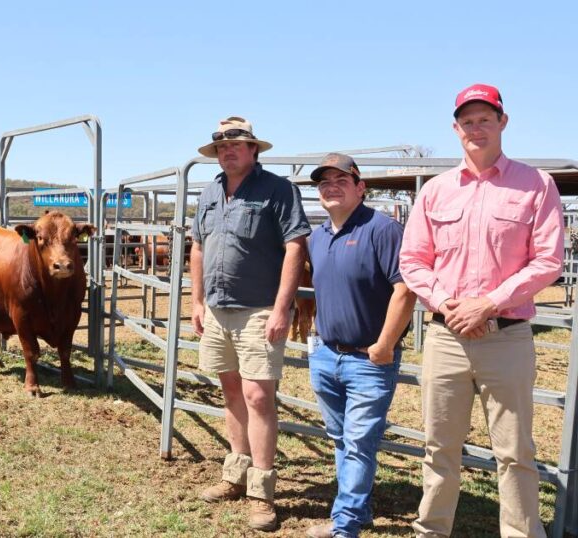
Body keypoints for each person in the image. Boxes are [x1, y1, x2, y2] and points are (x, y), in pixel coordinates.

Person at [400, 84, 563, 537]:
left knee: (514, 450)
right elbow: (413, 259)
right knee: (439, 446)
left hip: (505, 333)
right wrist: (446, 302)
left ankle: (521, 533)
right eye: (467, 121)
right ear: (456, 129)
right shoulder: (435, 191)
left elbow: (548, 259)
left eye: (484, 119)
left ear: (502, 122)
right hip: (447, 334)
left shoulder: (535, 184)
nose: (476, 129)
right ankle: (432, 529)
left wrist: (489, 302)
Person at [191, 116, 311, 531]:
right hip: (218, 308)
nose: (229, 152)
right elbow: (198, 248)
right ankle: (234, 474)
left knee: (259, 396)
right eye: (222, 147)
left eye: (237, 145)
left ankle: (262, 491)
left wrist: (282, 308)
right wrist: (196, 300)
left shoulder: (278, 190)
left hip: (259, 309)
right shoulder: (209, 192)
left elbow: (295, 247)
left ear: (253, 150)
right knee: (230, 393)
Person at [303, 153, 416, 538]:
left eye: (341, 181)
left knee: (357, 442)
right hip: (325, 353)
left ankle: (345, 525)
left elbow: (405, 288)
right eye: (323, 183)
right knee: (341, 439)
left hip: (369, 358)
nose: (331, 188)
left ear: (360, 187)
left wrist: (385, 344)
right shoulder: (317, 237)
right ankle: (359, 510)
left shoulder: (382, 229)